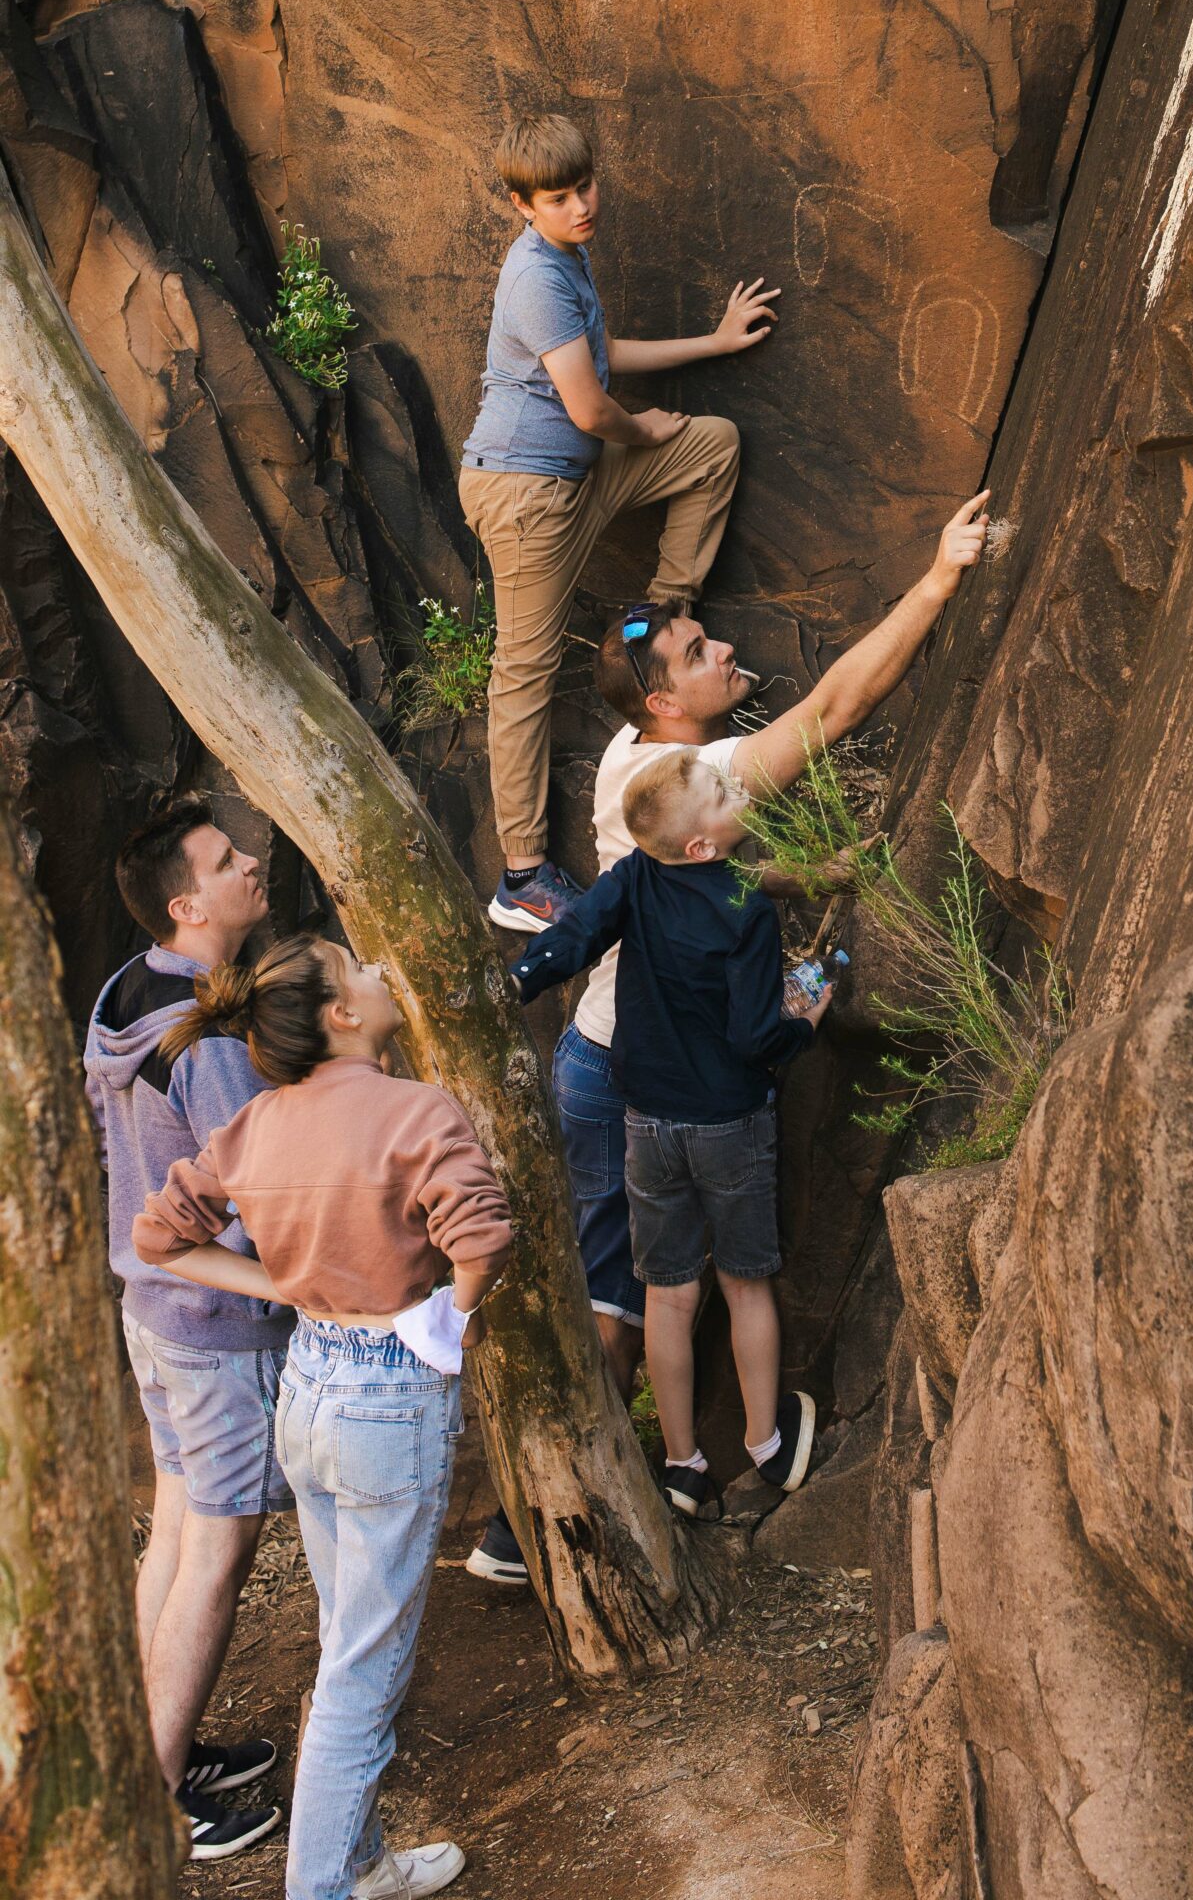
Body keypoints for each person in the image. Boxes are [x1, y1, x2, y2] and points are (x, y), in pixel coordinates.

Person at [465, 487, 990, 1582]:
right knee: (618, 1301)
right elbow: (838, 705)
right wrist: (939, 576)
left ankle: (680, 1465)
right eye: (703, 651)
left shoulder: (633, 751)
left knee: (653, 1286)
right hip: (623, 1072)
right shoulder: (681, 783)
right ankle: (531, 1525)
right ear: (662, 706)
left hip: (625, 1057)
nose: (726, 649)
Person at [134, 934, 513, 1900]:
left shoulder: (258, 1121)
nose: (383, 969)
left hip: (305, 1387)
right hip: (389, 1397)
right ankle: (324, 1888)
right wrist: (447, 1321)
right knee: (362, 1673)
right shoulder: (415, 1110)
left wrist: (281, 1284)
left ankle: (358, 1861)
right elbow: (482, 1236)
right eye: (361, 967)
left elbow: (158, 1236)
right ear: (342, 1015)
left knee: (347, 1635)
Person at [458, 111, 779, 937]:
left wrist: (713, 342)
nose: (579, 205)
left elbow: (602, 354)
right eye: (558, 198)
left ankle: (658, 651)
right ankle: (522, 874)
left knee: (710, 445)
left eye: (585, 187)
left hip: (577, 476)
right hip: (525, 494)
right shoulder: (534, 275)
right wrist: (643, 431)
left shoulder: (569, 256)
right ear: (522, 206)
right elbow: (594, 406)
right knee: (522, 671)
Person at [510, 751, 835, 1517]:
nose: (736, 790)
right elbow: (756, 1036)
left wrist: (520, 979)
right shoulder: (746, 908)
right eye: (722, 792)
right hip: (729, 1122)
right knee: (746, 1281)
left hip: (646, 1122)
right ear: (702, 847)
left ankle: (682, 1464)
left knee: (667, 1292)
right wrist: (804, 1026)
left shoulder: (634, 877)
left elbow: (575, 935)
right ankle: (764, 1444)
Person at [84, 799, 291, 1863]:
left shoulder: (126, 991)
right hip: (215, 1321)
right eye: (226, 860)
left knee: (176, 1527)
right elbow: (256, 1192)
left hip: (150, 1310)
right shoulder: (205, 1038)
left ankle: (138, 1756)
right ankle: (158, 1798)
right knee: (221, 1539)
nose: (251, 863)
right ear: (186, 902)